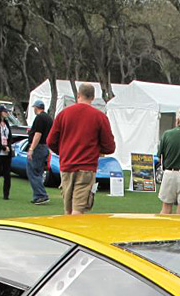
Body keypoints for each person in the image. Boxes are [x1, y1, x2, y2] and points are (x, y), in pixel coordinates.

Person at [46, 83, 115, 215]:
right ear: (93, 97)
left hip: (66, 166)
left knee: (68, 209)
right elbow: (109, 146)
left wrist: (64, 152)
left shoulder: (63, 114)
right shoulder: (99, 117)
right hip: (86, 167)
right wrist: (96, 150)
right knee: (78, 209)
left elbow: (50, 141)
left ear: (78, 95)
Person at [25, 99, 52, 205]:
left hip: (38, 147)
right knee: (39, 172)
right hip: (45, 146)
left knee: (32, 171)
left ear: (36, 108)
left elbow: (38, 134)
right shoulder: (48, 118)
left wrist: (31, 148)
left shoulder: (39, 118)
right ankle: (39, 194)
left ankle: (41, 195)